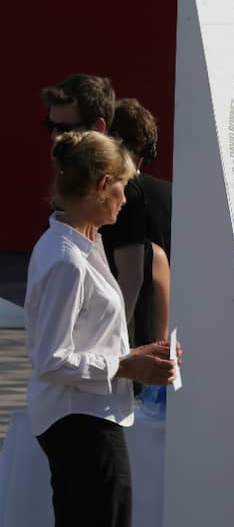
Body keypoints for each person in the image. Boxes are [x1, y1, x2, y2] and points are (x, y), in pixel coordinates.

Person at [24, 131, 178, 527]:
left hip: (86, 416)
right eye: (121, 190)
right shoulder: (67, 259)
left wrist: (134, 354)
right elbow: (51, 358)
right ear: (102, 183)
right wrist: (125, 366)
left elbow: (80, 341)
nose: (125, 202)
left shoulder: (80, 248)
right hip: (79, 422)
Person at [40, 75, 148, 338]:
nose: (56, 137)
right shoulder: (68, 186)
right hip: (88, 358)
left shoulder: (122, 191)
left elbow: (131, 277)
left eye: (65, 128)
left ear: (98, 127)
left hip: (111, 354)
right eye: (50, 126)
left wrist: (120, 350)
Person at [109, 98, 173, 343]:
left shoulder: (123, 197)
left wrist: (111, 340)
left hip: (133, 336)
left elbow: (130, 277)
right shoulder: (171, 194)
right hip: (171, 331)